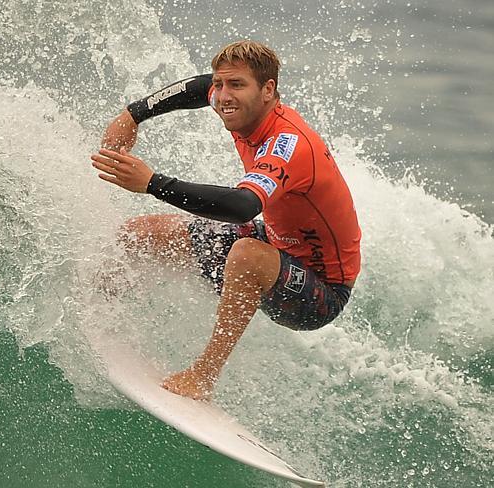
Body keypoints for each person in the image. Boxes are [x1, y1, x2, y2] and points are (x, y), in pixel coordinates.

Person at [91, 40, 361, 401]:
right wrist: (133, 114)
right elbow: (201, 86)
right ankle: (102, 318)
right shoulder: (240, 104)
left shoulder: (289, 145)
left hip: (319, 291)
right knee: (140, 233)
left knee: (246, 254)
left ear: (268, 90)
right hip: (278, 241)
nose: (222, 96)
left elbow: (243, 206)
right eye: (220, 85)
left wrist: (153, 183)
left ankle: (203, 377)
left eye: (236, 85)